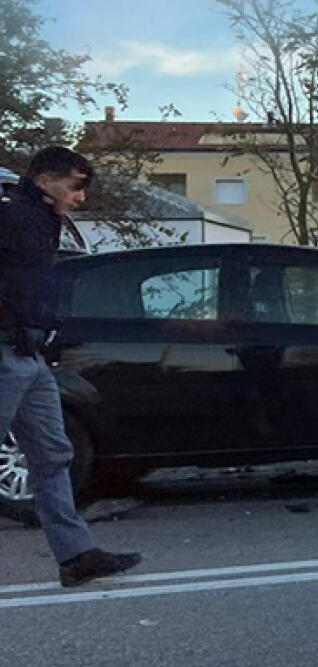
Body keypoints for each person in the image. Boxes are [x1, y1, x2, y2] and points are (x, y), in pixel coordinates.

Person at [0, 146, 142, 586]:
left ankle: (77, 555)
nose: (81, 198)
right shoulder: (10, 218)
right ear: (45, 180)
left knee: (53, 455)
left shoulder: (44, 221)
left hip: (31, 356)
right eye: (76, 186)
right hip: (5, 351)